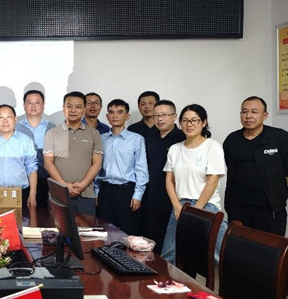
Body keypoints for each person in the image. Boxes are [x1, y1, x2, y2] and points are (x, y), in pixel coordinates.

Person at [223, 96, 288, 236]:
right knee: (238, 246)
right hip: (238, 208)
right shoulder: (232, 140)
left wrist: (274, 185)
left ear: (265, 115)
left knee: (270, 247)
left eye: (254, 112)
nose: (248, 116)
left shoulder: (280, 137)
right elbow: (231, 168)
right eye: (244, 111)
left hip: (270, 210)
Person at [162, 104, 227, 265]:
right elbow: (169, 180)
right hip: (180, 206)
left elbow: (213, 180)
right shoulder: (175, 149)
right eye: (185, 121)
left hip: (206, 206)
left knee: (222, 255)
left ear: (204, 122)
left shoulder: (212, 146)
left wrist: (196, 210)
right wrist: (177, 206)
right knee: (169, 255)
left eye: (194, 120)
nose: (189, 124)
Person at [43, 92, 103, 217]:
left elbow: (97, 164)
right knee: (57, 228)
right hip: (58, 194)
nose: (73, 110)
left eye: (78, 107)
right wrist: (64, 186)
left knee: (86, 229)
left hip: (86, 194)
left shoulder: (94, 133)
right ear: (63, 108)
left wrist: (83, 185)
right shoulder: (52, 133)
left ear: (84, 109)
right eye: (69, 106)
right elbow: (48, 163)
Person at [96, 99, 148, 235]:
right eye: (111, 112)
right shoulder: (101, 138)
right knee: (105, 232)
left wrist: (138, 195)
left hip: (127, 192)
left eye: (120, 112)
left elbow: (141, 169)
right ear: (107, 116)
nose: (115, 116)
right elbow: (96, 167)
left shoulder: (136, 139)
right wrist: (96, 191)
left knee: (127, 233)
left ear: (127, 116)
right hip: (105, 191)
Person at [140, 100, 185, 253]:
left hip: (175, 200)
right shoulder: (149, 137)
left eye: (164, 115)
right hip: (152, 198)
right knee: (152, 242)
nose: (160, 119)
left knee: (173, 245)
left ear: (174, 116)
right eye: (156, 116)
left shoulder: (182, 138)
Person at [0, 104, 38, 209]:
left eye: (9, 117)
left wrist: (32, 194)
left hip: (21, 193)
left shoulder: (26, 141)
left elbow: (32, 168)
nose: (5, 121)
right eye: (1, 117)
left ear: (15, 119)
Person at [16, 89, 56, 208]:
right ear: (24, 106)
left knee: (44, 215)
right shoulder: (16, 127)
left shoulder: (52, 127)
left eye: (37, 102)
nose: (33, 106)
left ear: (43, 105)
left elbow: (58, 159)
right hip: (21, 181)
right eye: (29, 102)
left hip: (45, 180)